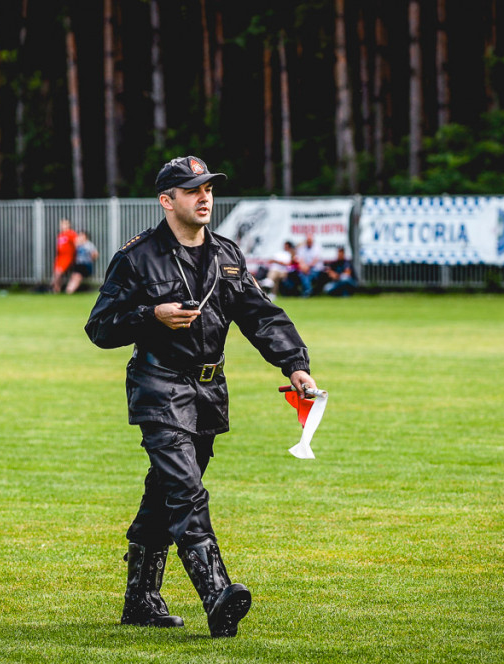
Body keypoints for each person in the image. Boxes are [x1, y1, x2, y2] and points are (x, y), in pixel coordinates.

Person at [85, 155, 317, 638]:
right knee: (186, 490)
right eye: (193, 190)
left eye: (208, 188)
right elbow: (100, 328)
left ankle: (141, 600)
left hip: (209, 391)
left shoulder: (228, 254)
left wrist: (294, 364)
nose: (205, 197)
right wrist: (151, 315)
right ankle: (217, 594)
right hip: (159, 386)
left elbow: (261, 316)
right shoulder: (137, 257)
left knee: (164, 494)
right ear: (167, 201)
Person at [51, 218, 78, 292]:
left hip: (67, 257)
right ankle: (57, 288)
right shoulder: (60, 235)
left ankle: (56, 289)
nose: (63, 226)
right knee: (56, 273)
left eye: (65, 224)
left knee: (58, 273)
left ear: (69, 225)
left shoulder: (71, 233)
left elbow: (76, 244)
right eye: (62, 224)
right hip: (60, 257)